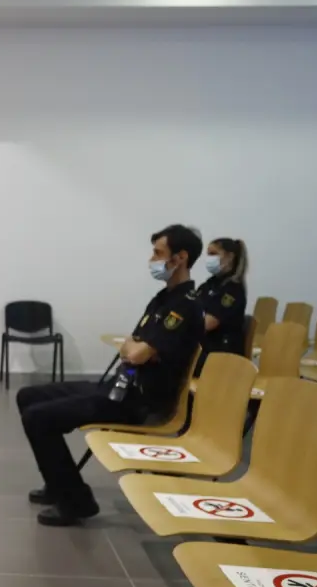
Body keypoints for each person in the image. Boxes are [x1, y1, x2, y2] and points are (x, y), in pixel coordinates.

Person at [17, 225, 205, 527]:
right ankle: (58, 483)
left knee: (38, 418)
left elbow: (135, 353)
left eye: (158, 253)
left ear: (180, 258)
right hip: (120, 387)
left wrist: (137, 349)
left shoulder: (185, 306)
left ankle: (77, 502)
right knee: (28, 396)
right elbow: (131, 345)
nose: (152, 260)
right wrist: (137, 349)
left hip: (140, 402)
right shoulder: (163, 299)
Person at [192, 237, 249, 374]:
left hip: (221, 355)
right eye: (208, 254)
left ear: (230, 257)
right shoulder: (208, 285)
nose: (209, 259)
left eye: (213, 254)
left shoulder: (233, 289)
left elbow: (208, 323)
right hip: (205, 350)